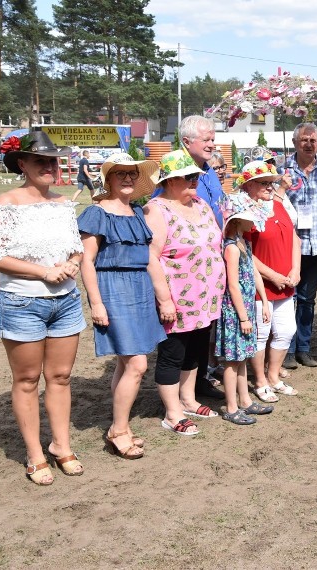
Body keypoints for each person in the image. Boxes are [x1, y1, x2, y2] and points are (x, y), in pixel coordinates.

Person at [0, 131, 86, 484]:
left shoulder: (62, 204)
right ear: (22, 164)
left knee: (60, 377)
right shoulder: (5, 203)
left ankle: (61, 445)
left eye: (53, 160)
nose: (49, 166)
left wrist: (72, 263)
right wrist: (44, 271)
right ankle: (35, 453)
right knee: (26, 380)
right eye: (40, 160)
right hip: (22, 302)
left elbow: (76, 247)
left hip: (66, 302)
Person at [77, 153, 166, 459]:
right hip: (112, 290)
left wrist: (162, 296)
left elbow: (149, 259)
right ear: (109, 179)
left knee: (126, 363)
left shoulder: (138, 212)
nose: (127, 179)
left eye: (132, 174)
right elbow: (86, 260)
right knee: (138, 364)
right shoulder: (96, 213)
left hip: (139, 289)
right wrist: (97, 303)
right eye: (120, 174)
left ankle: (122, 426)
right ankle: (118, 430)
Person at [143, 150, 226, 435]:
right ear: (169, 180)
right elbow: (151, 256)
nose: (194, 181)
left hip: (206, 297)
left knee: (196, 350)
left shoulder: (200, 203)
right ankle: (172, 412)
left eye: (195, 176)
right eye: (187, 177)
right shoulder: (156, 209)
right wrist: (164, 298)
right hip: (177, 298)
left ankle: (188, 399)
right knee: (172, 354)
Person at [237, 161, 301, 403]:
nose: (270, 186)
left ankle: (273, 376)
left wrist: (296, 269)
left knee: (286, 330)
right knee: (261, 333)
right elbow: (244, 250)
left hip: (287, 282)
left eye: (271, 182)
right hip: (259, 285)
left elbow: (294, 238)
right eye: (264, 183)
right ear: (249, 185)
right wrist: (272, 276)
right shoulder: (245, 211)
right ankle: (259, 380)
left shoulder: (278, 204)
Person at [280, 123, 317, 368]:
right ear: (295, 142)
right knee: (287, 297)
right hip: (288, 247)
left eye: (313, 140)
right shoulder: (281, 170)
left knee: (307, 299)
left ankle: (304, 347)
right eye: (304, 140)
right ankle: (287, 349)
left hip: (315, 248)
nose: (309, 144)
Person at [216, 194, 275, 424]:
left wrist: (264, 300)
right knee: (233, 360)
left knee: (241, 358)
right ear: (238, 220)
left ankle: (245, 401)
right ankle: (231, 406)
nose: (254, 223)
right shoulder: (231, 248)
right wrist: (242, 317)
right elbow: (233, 284)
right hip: (235, 311)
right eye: (250, 219)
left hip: (247, 307)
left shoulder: (244, 243)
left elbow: (254, 272)